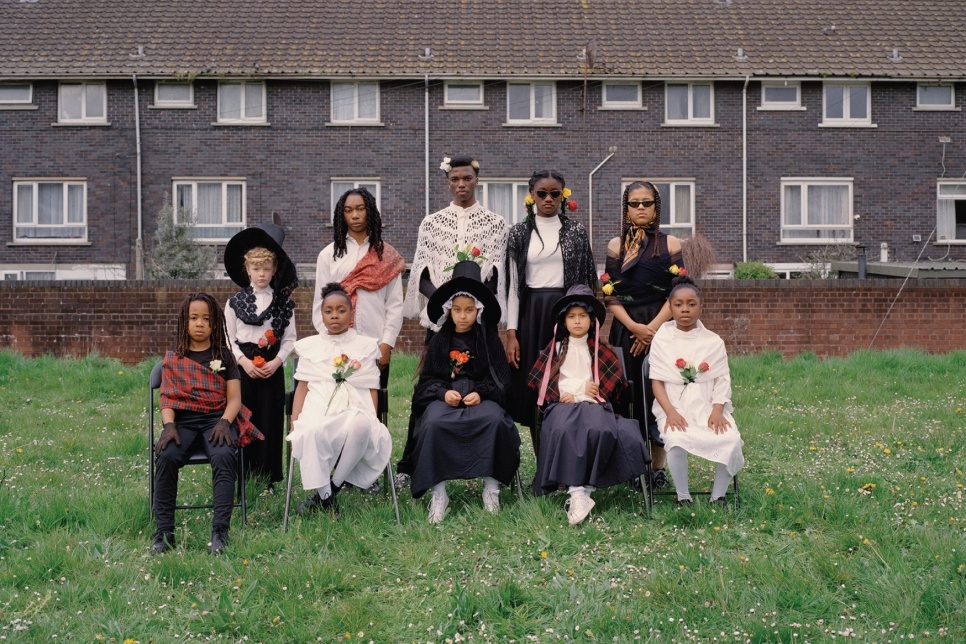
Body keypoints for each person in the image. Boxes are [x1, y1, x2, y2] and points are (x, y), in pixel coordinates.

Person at [405, 260, 521, 523]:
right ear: (449, 310)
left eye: (469, 310)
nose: (463, 315)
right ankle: (439, 492)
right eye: (457, 310)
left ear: (478, 310)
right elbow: (426, 382)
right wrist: (442, 393)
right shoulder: (439, 340)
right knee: (433, 422)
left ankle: (491, 488)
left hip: (482, 398)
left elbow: (502, 380)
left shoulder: (489, 339)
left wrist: (482, 392)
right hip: (446, 398)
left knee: (493, 420)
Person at [528, 285, 651, 525]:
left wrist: (585, 391)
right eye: (571, 316)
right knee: (564, 430)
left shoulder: (601, 351)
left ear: (591, 320)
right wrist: (577, 389)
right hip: (561, 406)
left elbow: (607, 386)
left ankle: (585, 492)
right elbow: (545, 383)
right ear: (564, 320)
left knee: (600, 429)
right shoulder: (556, 350)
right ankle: (577, 493)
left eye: (582, 316)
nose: (577, 321)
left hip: (595, 406)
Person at [151, 292, 262, 554]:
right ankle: (164, 533)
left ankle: (220, 532)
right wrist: (169, 426)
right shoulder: (174, 358)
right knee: (165, 456)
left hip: (217, 419)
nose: (199, 323)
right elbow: (167, 399)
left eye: (206, 318)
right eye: (193, 318)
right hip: (184, 422)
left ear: (215, 323)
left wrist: (225, 423)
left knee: (224, 456)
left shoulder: (224, 356)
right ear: (184, 321)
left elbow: (234, 399)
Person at [287, 283, 393, 517]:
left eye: (341, 310)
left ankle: (330, 489)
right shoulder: (310, 346)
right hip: (319, 406)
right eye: (328, 311)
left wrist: (373, 417)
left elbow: (371, 386)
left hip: (355, 406)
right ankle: (327, 498)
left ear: (350, 312)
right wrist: (295, 420)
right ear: (322, 314)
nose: (334, 315)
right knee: (311, 430)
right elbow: (302, 388)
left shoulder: (365, 346)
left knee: (363, 425)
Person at [604, 181, 683, 491]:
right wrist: (635, 328)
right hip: (625, 328)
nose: (640, 208)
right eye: (634, 203)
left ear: (655, 208)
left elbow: (679, 293)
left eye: (646, 203)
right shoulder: (615, 247)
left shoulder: (672, 245)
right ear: (626, 208)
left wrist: (652, 330)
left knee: (658, 396)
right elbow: (610, 295)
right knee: (629, 396)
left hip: (662, 328)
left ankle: (659, 469)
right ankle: (634, 466)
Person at [505, 169, 597, 433]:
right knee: (536, 386)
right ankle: (541, 458)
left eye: (554, 193)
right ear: (532, 195)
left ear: (563, 196)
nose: (548, 199)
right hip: (531, 313)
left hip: (566, 311)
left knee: (566, 377)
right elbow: (513, 287)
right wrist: (512, 333)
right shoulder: (519, 233)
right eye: (541, 193)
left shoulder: (576, 231)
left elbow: (587, 281)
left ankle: (565, 447)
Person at [649, 275, 744, 506]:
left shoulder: (713, 341)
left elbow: (722, 379)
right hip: (673, 406)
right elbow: (657, 382)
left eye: (692, 304)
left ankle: (718, 496)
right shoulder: (662, 339)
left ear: (701, 307)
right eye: (679, 305)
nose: (685, 310)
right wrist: (670, 412)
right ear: (670, 307)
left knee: (730, 438)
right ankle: (683, 496)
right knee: (676, 438)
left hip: (707, 406)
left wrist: (718, 410)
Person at [224, 215, 298, 496]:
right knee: (243, 418)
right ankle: (242, 476)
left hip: (271, 365)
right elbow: (228, 339)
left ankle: (267, 479)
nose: (261, 274)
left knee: (268, 419)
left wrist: (276, 361)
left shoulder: (283, 304)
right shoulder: (234, 302)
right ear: (247, 269)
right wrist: (243, 362)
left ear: (274, 268)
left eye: (266, 268)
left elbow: (290, 339)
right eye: (256, 268)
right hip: (242, 367)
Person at [403, 155, 508, 336]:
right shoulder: (431, 223)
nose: (461, 184)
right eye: (455, 179)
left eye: (467, 178)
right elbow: (420, 274)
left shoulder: (496, 223)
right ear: (448, 183)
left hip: (480, 313)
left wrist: (472, 302)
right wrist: (444, 302)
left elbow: (498, 275)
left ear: (476, 180)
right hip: (440, 315)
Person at [312, 187, 405, 389]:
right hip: (337, 347)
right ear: (342, 214)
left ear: (369, 211)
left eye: (360, 209)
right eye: (348, 210)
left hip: (375, 345)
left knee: (373, 407)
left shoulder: (386, 256)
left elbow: (395, 305)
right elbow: (321, 304)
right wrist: (329, 343)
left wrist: (386, 344)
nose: (355, 215)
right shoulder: (329, 255)